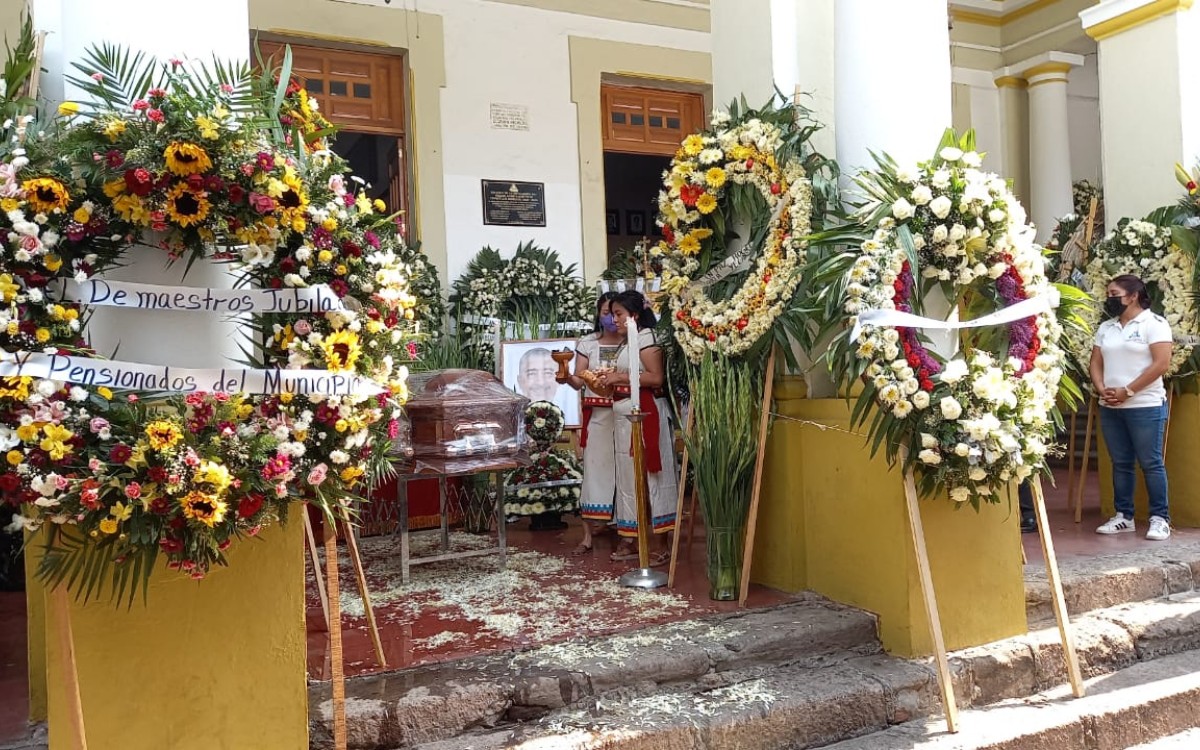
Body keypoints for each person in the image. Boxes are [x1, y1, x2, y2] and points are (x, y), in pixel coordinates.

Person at [1090, 274, 1173, 541]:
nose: (1109, 299)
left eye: (1114, 294)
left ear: (1133, 295)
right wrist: (1102, 387)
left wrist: (1129, 391)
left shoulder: (1154, 324)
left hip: (1144, 404)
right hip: (1111, 405)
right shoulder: (1107, 328)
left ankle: (1160, 518)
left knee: (1150, 462)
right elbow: (1096, 361)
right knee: (1121, 462)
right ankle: (1123, 516)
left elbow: (1161, 364)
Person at [597, 291, 678, 565]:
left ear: (635, 315)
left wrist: (619, 376)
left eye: (618, 314)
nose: (613, 319)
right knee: (629, 476)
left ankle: (660, 542)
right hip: (625, 417)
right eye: (611, 314)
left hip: (647, 414)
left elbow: (656, 377)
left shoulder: (647, 338)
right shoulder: (626, 342)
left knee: (654, 477)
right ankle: (632, 536)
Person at [559, 292, 621, 555]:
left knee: (624, 473)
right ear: (598, 315)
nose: (609, 318)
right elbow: (579, 381)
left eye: (614, 313)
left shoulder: (633, 341)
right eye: (605, 313)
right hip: (598, 415)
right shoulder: (588, 343)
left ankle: (624, 529)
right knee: (595, 471)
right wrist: (564, 376)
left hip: (627, 413)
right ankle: (587, 535)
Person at [515, 347, 576, 420]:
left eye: (548, 373)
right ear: (520, 381)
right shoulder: (513, 420)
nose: (540, 382)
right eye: (531, 374)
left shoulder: (570, 417)